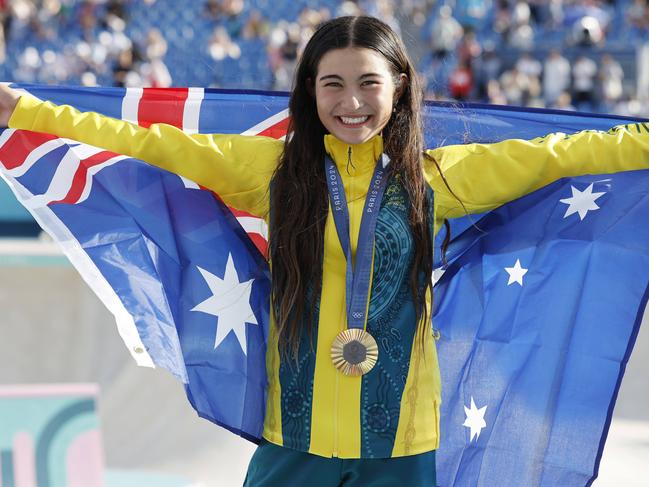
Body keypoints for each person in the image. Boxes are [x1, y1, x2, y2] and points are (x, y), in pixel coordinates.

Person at [0, 15, 649, 487]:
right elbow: (144, 140)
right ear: (309, 91)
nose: (350, 102)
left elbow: (561, 155)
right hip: (297, 440)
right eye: (331, 84)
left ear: (398, 85)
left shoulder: (437, 175)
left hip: (401, 444)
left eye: (367, 82)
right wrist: (27, 110)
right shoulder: (267, 169)